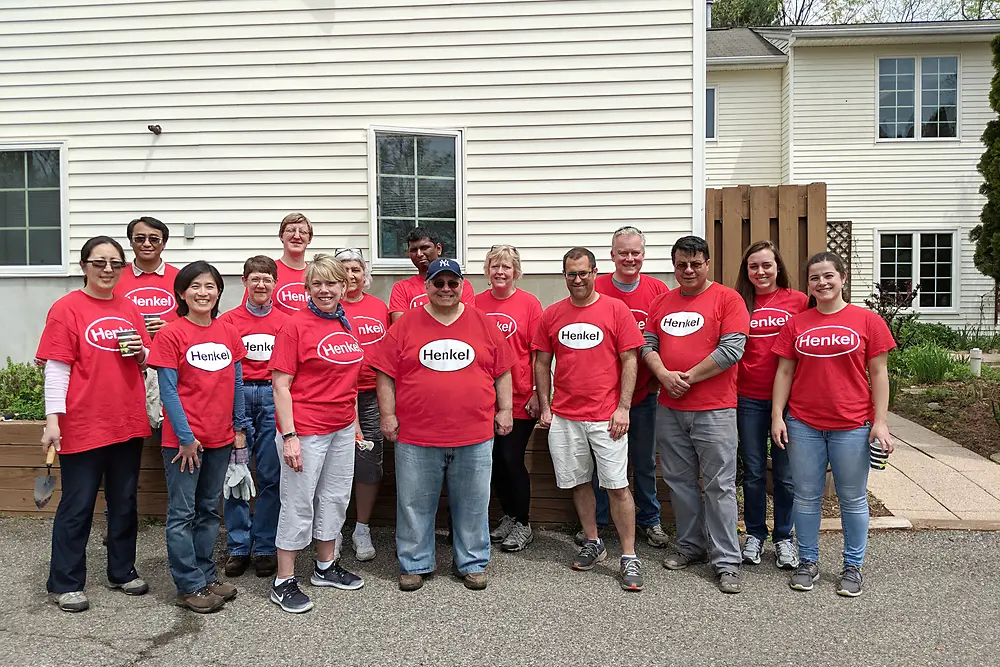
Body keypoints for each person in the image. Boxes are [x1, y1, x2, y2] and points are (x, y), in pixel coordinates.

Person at [370, 258, 514, 592]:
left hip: (474, 433)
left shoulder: (482, 323)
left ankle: (473, 563)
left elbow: (503, 369)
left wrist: (505, 409)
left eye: (453, 283)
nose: (446, 289)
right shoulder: (406, 325)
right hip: (417, 435)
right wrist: (388, 416)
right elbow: (385, 372)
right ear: (427, 286)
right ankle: (415, 563)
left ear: (463, 286)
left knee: (473, 503)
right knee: (413, 503)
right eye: (439, 283)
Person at [36, 236, 152, 613]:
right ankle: (66, 582)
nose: (107, 270)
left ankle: (121, 570)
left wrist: (142, 353)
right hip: (83, 424)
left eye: (115, 263)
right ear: (84, 265)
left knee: (124, 502)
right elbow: (56, 368)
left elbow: (146, 358)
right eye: (99, 262)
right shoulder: (67, 308)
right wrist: (53, 420)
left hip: (127, 421)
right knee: (78, 504)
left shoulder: (129, 307)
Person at [771, 252, 895, 598]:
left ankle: (853, 567)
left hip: (853, 425)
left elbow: (880, 374)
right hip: (803, 424)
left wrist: (880, 422)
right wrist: (777, 415)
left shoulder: (868, 321)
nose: (822, 283)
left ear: (843, 278)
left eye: (829, 276)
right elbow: (784, 371)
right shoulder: (797, 323)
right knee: (807, 498)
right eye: (814, 278)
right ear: (808, 284)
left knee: (852, 499)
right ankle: (807, 561)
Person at [533, 247, 646, 592]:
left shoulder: (615, 310)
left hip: (606, 417)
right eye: (571, 273)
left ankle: (628, 556)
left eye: (583, 272)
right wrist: (546, 407)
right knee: (579, 483)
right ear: (564, 276)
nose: (578, 279)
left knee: (617, 487)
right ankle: (594, 543)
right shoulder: (552, 314)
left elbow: (630, 361)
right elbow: (541, 363)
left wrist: (623, 408)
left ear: (595, 272)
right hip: (565, 417)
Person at [642, 235, 749, 594]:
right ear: (674, 266)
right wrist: (663, 375)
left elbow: (733, 348)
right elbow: (648, 344)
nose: (688, 270)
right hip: (670, 409)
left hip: (715, 410)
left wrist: (687, 378)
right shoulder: (662, 302)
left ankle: (727, 561)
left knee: (719, 486)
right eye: (681, 264)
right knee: (680, 483)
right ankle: (691, 546)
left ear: (707, 264)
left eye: (695, 263)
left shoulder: (727, 299)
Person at [147, 261, 250, 614]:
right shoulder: (171, 334)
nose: (203, 292)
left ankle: (206, 574)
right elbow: (169, 392)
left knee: (208, 510)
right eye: (195, 286)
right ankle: (188, 583)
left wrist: (238, 428)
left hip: (220, 438)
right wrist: (187, 438)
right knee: (183, 513)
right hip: (184, 444)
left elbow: (236, 383)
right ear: (181, 292)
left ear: (219, 291)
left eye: (210, 286)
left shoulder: (228, 332)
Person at [267, 254, 367, 614]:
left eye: (332, 283)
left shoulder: (346, 323)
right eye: (317, 283)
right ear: (307, 288)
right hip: (306, 430)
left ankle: (325, 566)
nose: (325, 290)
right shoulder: (295, 326)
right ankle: (284, 580)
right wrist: (290, 435)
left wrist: (353, 423)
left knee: (336, 497)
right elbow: (281, 385)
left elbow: (347, 381)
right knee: (298, 502)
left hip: (341, 427)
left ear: (344, 286)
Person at [587, 225, 670, 548]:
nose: (629, 258)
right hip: (605, 395)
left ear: (644, 255)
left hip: (644, 394)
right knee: (600, 462)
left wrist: (656, 381)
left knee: (644, 460)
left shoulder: (658, 291)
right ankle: (600, 522)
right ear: (612, 255)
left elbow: (664, 340)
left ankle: (650, 520)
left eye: (635, 252)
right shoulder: (599, 287)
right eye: (623, 252)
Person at [734, 240, 808, 570]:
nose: (761, 272)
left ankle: (783, 538)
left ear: (778, 266)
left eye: (767, 265)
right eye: (754, 266)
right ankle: (754, 534)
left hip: (790, 402)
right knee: (752, 471)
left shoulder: (799, 301)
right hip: (748, 397)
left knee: (785, 474)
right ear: (746, 271)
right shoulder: (738, 303)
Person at [219, 256, 289, 579]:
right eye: (255, 279)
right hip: (240, 396)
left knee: (271, 474)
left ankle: (263, 545)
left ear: (276, 283)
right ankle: (237, 546)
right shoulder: (229, 321)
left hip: (273, 398)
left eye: (267, 279)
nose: (261, 285)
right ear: (244, 282)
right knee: (236, 474)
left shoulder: (287, 321)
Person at [476, 245, 543, 552]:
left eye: (505, 266)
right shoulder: (476, 304)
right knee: (491, 461)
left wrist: (537, 394)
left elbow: (537, 353)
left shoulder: (530, 304)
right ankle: (508, 514)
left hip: (519, 396)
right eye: (494, 266)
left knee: (510, 458)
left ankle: (523, 522)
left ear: (516, 271)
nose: (500, 272)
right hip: (483, 397)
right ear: (487, 270)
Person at [335, 248, 390, 562]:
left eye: (356, 269)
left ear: (364, 274)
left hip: (371, 395)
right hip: (337, 395)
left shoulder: (378, 307)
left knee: (369, 462)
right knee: (336, 464)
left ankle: (362, 527)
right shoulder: (329, 308)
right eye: (344, 268)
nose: (351, 274)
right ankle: (334, 527)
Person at [388, 228, 475, 323]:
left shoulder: (459, 284)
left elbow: (467, 321)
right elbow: (400, 327)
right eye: (413, 250)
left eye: (424, 248)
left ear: (438, 249)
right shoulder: (401, 288)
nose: (419, 254)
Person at [113, 216, 180, 338]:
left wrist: (171, 329)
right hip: (126, 350)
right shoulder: (113, 276)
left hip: (169, 348)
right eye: (140, 239)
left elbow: (193, 318)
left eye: (154, 239)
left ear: (164, 243)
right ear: (130, 242)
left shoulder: (180, 278)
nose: (147, 244)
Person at [243, 212, 314, 315]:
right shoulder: (266, 271)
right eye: (291, 230)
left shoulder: (316, 273)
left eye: (303, 232)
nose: (297, 236)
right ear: (281, 236)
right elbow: (248, 312)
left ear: (309, 239)